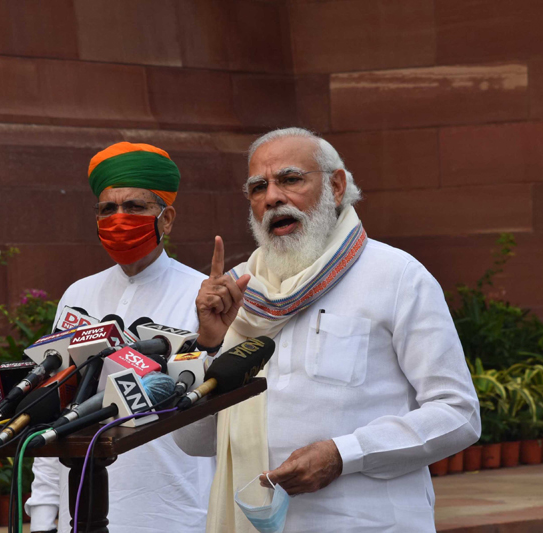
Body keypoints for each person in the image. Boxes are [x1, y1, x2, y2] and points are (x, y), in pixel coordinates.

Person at [174, 128, 481, 532]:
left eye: (290, 179)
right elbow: (193, 443)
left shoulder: (396, 276)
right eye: (258, 187)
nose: (272, 198)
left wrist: (344, 454)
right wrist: (210, 344)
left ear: (336, 186)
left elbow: (458, 413)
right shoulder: (235, 294)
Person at [26, 142, 214, 533]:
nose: (119, 218)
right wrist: (42, 514)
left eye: (134, 207)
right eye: (107, 209)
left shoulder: (202, 298)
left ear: (166, 218)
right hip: (80, 510)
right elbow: (49, 403)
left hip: (174, 515)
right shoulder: (77, 295)